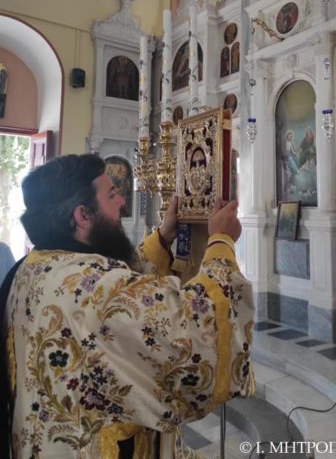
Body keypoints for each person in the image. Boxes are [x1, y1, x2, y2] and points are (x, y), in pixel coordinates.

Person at [2, 154, 254, 458]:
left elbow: (119, 291)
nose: (122, 202)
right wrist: (222, 241)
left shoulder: (32, 267)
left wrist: (162, 238)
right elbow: (196, 327)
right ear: (82, 215)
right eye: (112, 195)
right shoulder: (96, 289)